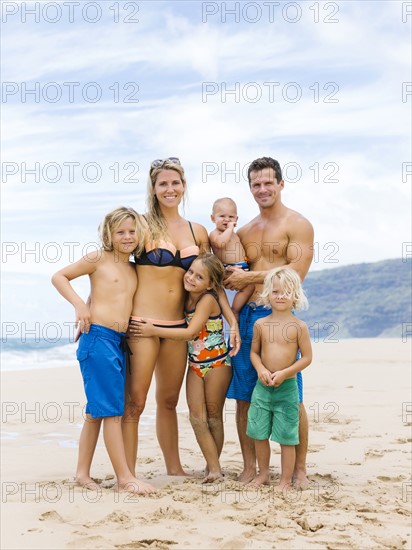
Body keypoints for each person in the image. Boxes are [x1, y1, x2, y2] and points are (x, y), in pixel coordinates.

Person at [124, 158, 240, 478]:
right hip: (142, 325)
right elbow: (115, 266)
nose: (169, 189)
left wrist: (232, 322)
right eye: (163, 183)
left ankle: (174, 469)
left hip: (178, 326)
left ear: (184, 186)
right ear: (154, 188)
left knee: (169, 401)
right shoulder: (141, 225)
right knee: (135, 403)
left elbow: (213, 284)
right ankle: (128, 474)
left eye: (175, 183)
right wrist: (91, 304)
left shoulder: (197, 231)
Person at [51, 207, 156, 494]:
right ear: (108, 233)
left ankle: (82, 473)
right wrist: (80, 305)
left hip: (119, 343)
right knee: (112, 411)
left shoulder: (134, 267)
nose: (127, 237)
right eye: (120, 231)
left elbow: (109, 293)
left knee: (97, 411)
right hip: (97, 339)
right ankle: (125, 479)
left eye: (132, 231)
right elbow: (59, 276)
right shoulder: (98, 258)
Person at [224, 157, 314, 487]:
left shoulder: (297, 224)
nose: (262, 189)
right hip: (246, 318)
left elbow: (295, 275)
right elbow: (225, 272)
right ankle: (251, 467)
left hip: (278, 317)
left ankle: (299, 468)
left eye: (268, 183)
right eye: (256, 184)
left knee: (291, 397)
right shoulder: (244, 230)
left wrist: (249, 277)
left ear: (280, 184)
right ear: (250, 188)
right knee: (245, 396)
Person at [133, 254, 236, 483]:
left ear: (210, 284)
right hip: (195, 365)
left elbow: (190, 333)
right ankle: (213, 467)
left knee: (213, 417)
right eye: (190, 272)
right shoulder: (186, 297)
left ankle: (214, 468)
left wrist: (153, 331)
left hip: (218, 364)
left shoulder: (208, 299)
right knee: (196, 417)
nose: (190, 278)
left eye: (199, 277)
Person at [247, 267, 312, 489]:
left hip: (287, 387)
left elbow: (307, 358)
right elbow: (254, 353)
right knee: (258, 432)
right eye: (276, 292)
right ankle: (263, 474)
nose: (280, 296)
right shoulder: (260, 325)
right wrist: (261, 370)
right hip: (262, 387)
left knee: (287, 436)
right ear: (268, 294)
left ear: (295, 296)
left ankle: (285, 480)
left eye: (286, 292)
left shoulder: (299, 327)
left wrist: (285, 373)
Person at [209, 197, 254, 320]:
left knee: (251, 286)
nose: (227, 220)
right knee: (248, 286)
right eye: (222, 216)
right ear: (213, 218)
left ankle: (238, 309)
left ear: (236, 219)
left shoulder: (235, 234)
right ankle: (234, 310)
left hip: (242, 267)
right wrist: (229, 229)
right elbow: (220, 244)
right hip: (228, 269)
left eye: (231, 217)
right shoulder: (215, 233)